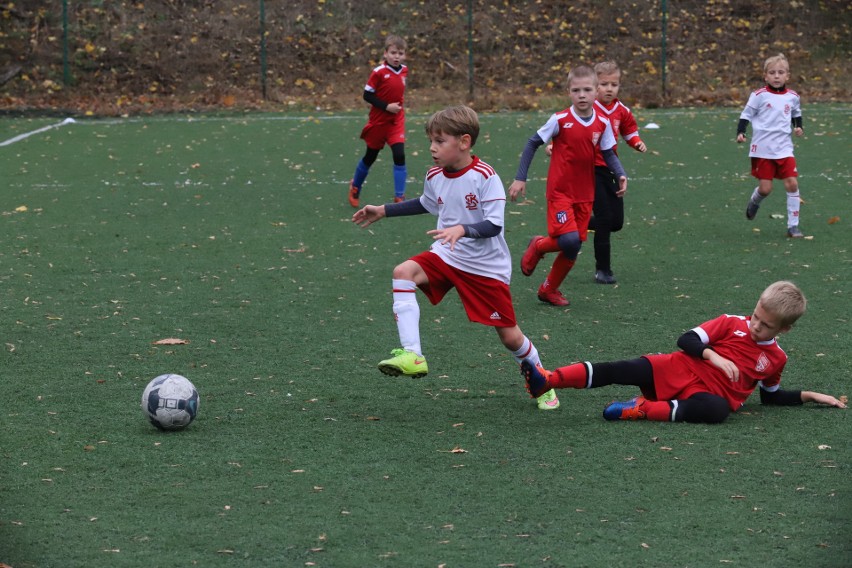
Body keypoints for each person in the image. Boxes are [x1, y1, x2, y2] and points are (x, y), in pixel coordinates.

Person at [352, 105, 561, 410]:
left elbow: (494, 225)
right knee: (403, 272)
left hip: (485, 268)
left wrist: (462, 229)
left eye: (440, 141)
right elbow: (427, 203)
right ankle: (413, 354)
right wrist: (383, 210)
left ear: (464, 142)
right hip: (447, 257)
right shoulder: (434, 174)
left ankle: (544, 382)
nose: (432, 148)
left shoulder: (485, 176)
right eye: (431, 141)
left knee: (510, 337)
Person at [521, 281, 847, 423]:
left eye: (765, 325)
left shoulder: (776, 359)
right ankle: (548, 380)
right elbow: (687, 339)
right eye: (756, 316)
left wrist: (812, 395)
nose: (755, 325)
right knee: (621, 369)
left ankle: (642, 410)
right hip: (680, 367)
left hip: (706, 396)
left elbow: (770, 398)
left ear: (784, 330)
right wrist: (714, 356)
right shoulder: (731, 323)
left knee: (719, 411)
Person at [508, 65, 627, 307]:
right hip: (560, 192)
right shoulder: (560, 119)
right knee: (570, 241)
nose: (582, 95)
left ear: (595, 92)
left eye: (587, 90)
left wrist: (620, 173)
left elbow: (608, 152)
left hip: (586, 194)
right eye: (576, 90)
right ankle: (539, 245)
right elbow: (532, 143)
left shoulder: (602, 121)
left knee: (573, 246)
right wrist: (521, 178)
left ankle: (548, 290)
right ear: (568, 92)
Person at [588, 61, 647, 284]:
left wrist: (637, 142)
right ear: (594, 85)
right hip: (588, 169)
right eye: (604, 84)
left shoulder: (621, 110)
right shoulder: (588, 108)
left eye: (614, 84)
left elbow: (629, 130)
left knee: (616, 222)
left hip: (610, 168)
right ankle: (602, 269)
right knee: (604, 219)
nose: (609, 88)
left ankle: (574, 223)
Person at [737, 53, 804, 238]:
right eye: (772, 72)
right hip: (763, 149)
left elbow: (796, 114)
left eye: (780, 72)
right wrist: (741, 132)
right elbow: (746, 115)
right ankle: (755, 200)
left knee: (792, 183)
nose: (776, 76)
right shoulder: (759, 95)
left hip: (784, 148)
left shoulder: (793, 96)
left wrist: (798, 127)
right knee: (766, 189)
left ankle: (793, 226)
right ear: (765, 76)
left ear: (787, 76)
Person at [348, 35, 408, 208]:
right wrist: (386, 106)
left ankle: (400, 197)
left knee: (399, 154)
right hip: (379, 122)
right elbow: (367, 95)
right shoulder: (378, 72)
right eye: (393, 53)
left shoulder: (404, 70)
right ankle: (355, 186)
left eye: (400, 53)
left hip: (396, 121)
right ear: (386, 53)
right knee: (370, 157)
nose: (397, 56)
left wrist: (396, 107)